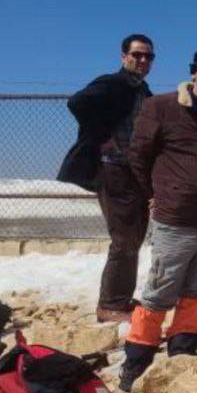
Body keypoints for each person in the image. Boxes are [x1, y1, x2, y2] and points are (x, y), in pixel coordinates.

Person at [120, 47, 197, 389]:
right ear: (194, 72)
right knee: (159, 292)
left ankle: (182, 356)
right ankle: (136, 364)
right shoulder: (161, 107)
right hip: (176, 218)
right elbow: (139, 157)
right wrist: (155, 195)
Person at [58, 34, 155, 324]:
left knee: (134, 237)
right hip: (112, 170)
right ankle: (110, 304)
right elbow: (77, 102)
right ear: (124, 56)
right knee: (124, 239)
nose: (142, 60)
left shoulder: (143, 92)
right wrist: (102, 138)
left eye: (148, 56)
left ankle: (121, 298)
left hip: (134, 173)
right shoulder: (113, 84)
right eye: (137, 55)